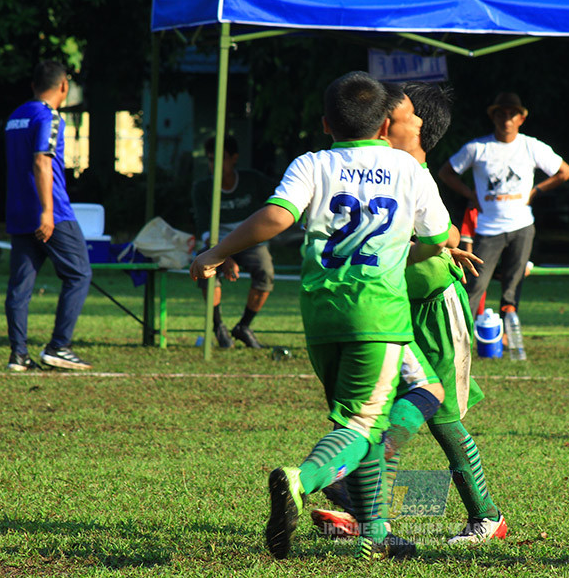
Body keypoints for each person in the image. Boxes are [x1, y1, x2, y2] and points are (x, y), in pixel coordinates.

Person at [190, 71, 452, 560]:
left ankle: (374, 535)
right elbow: (440, 239)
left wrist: (216, 251)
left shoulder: (312, 163)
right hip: (378, 316)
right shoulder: (408, 170)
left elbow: (276, 217)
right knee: (369, 422)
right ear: (383, 126)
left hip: (322, 315)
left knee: (359, 420)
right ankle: (301, 479)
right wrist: (404, 252)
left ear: (327, 124)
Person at [311, 82, 506, 545]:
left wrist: (444, 245)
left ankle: (486, 516)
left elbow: (442, 231)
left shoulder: (411, 168)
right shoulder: (376, 167)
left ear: (414, 128)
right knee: (377, 408)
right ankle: (369, 513)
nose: (376, 120)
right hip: (388, 308)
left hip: (434, 309)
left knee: (438, 412)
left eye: (389, 113)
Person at [438, 92, 569, 328]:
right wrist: (471, 195)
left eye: (513, 114)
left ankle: (507, 336)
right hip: (488, 228)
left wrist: (536, 191)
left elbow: (565, 172)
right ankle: (463, 335)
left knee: (513, 287)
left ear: (521, 118)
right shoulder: (478, 148)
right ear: (494, 117)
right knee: (475, 285)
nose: (507, 119)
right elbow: (445, 173)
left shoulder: (531, 146)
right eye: (501, 114)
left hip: (522, 226)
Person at [3, 60, 92, 371]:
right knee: (79, 273)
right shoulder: (49, 116)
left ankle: (18, 354)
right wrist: (48, 212)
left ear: (32, 85)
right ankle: (59, 345)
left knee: (20, 286)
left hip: (18, 211)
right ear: (64, 86)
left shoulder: (15, 117)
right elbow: (42, 162)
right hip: (50, 211)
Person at [192, 136, 276, 349]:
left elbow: (280, 199)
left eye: (220, 159)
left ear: (234, 158)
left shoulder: (253, 180)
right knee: (206, 268)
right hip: (216, 242)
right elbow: (204, 229)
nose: (214, 165)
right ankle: (218, 325)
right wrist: (223, 255)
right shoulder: (202, 188)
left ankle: (244, 327)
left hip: (250, 240)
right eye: (211, 160)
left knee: (265, 270)